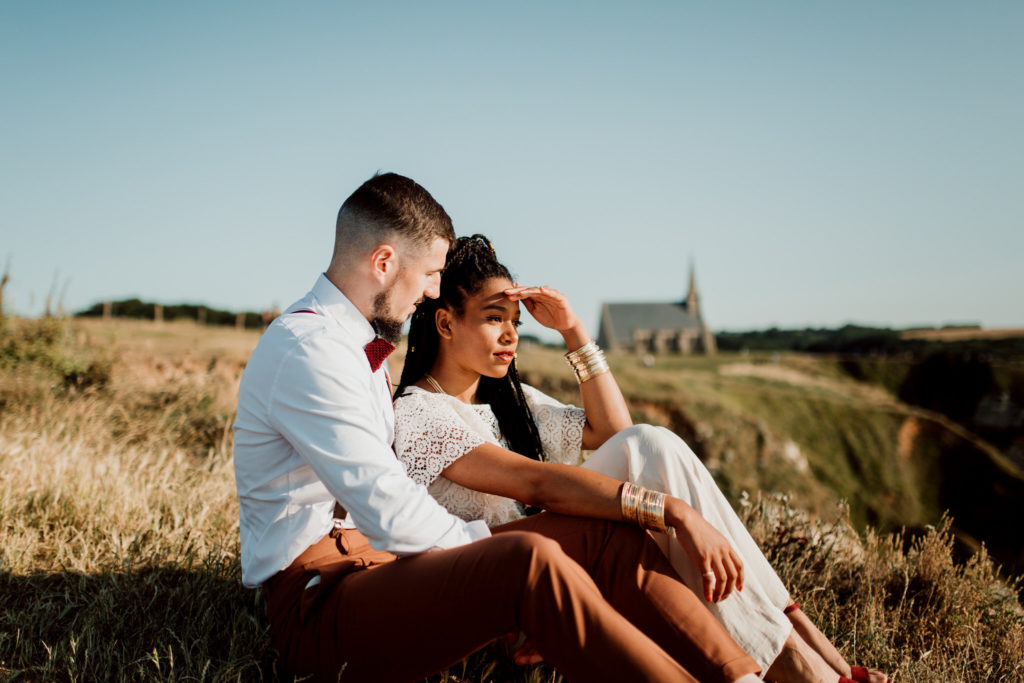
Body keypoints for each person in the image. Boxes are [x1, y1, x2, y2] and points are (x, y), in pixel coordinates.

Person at [233, 174, 765, 682]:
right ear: (384, 262)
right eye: (430, 275)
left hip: (384, 571)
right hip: (322, 602)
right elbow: (387, 507)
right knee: (528, 557)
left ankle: (741, 677)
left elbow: (602, 438)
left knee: (603, 536)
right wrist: (488, 558)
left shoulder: (355, 346)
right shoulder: (309, 350)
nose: (434, 290)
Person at [393, 234, 890, 683]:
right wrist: (675, 512)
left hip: (557, 555)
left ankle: (803, 652)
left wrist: (574, 333)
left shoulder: (510, 402)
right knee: (650, 466)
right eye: (493, 318)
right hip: (489, 585)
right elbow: (537, 485)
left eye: (515, 322)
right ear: (445, 322)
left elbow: (619, 435)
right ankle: (808, 662)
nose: (511, 335)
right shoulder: (420, 413)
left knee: (653, 446)